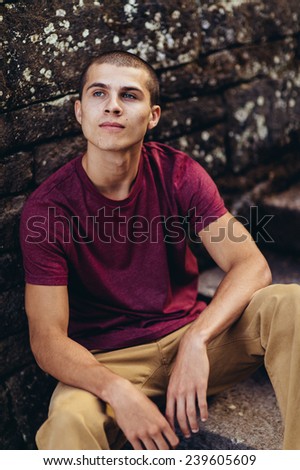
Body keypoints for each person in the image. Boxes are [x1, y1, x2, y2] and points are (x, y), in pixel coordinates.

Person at [20, 50, 300, 451]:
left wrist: (197, 340)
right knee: (67, 423)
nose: (113, 106)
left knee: (290, 303)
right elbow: (47, 338)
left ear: (153, 116)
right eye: (99, 94)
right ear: (80, 112)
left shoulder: (178, 173)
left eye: (129, 95)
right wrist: (117, 390)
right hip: (106, 361)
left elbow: (250, 265)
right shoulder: (48, 210)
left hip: (189, 335)